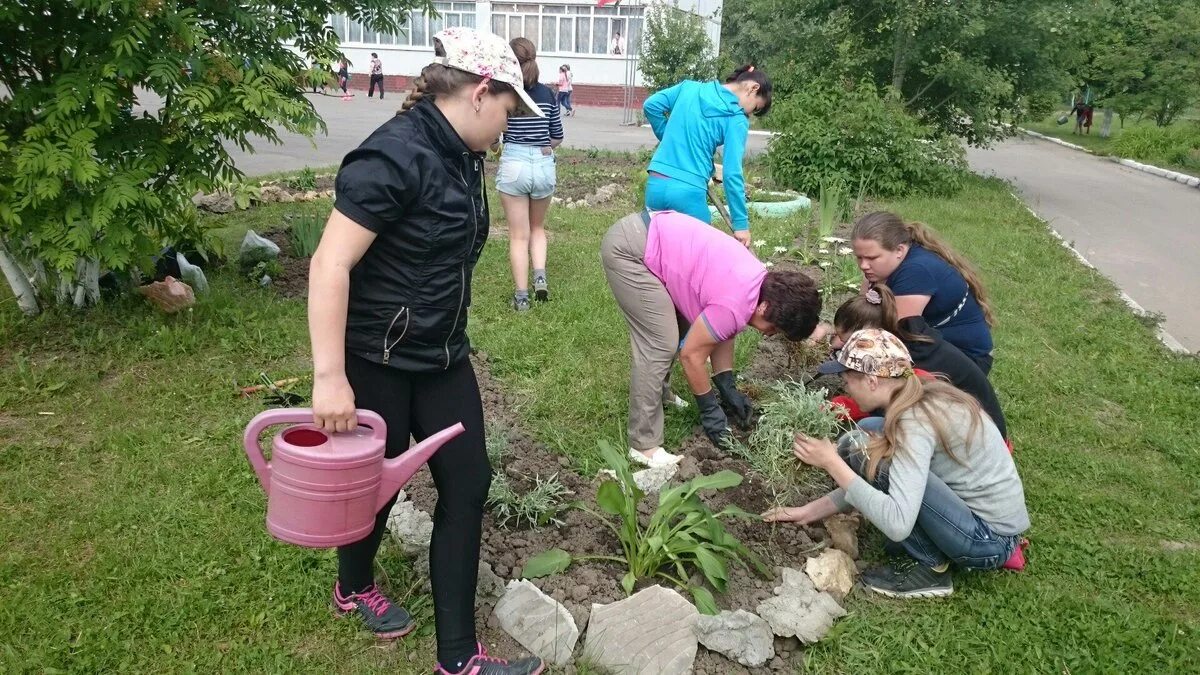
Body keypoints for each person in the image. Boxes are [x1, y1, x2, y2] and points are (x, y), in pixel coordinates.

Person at [306, 27, 544, 675]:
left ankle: (458, 659)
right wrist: (330, 377)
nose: (505, 128)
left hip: (441, 356)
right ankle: (352, 586)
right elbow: (329, 263)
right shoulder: (396, 155)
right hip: (374, 360)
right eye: (505, 112)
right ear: (479, 93)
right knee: (373, 490)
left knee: (468, 484)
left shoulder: (461, 154)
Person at [765, 329, 1030, 598]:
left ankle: (930, 568)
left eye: (847, 380)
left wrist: (832, 463)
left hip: (988, 542)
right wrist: (809, 512)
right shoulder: (919, 392)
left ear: (870, 380)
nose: (845, 388)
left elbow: (897, 523)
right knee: (869, 433)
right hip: (985, 527)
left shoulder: (913, 422)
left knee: (870, 454)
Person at [601, 209, 821, 465]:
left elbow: (720, 332)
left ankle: (658, 393)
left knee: (681, 329)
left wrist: (727, 386)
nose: (769, 334)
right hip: (631, 250)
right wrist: (709, 409)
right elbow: (692, 355)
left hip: (653, 236)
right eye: (775, 329)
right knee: (660, 342)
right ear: (765, 308)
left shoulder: (757, 282)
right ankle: (643, 444)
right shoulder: (735, 304)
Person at [818, 285, 1008, 441]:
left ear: (873, 335)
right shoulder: (901, 341)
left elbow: (881, 397)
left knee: (870, 434)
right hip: (965, 425)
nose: (845, 349)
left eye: (850, 342)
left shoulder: (913, 365)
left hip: (978, 441)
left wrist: (830, 408)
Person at [642, 66, 772, 247]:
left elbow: (651, 105)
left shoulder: (689, 88)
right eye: (755, 107)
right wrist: (740, 225)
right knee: (699, 262)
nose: (749, 114)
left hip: (655, 184)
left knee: (659, 257)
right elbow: (732, 173)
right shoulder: (736, 118)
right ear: (753, 88)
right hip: (688, 194)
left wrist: (670, 139)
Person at [851, 211, 995, 373]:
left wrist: (849, 343)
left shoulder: (916, 272)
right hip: (933, 348)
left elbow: (894, 339)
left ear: (899, 250)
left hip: (968, 360)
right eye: (859, 258)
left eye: (871, 258)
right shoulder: (879, 269)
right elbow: (862, 315)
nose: (863, 265)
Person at [496, 38, 564, 311]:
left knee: (518, 235)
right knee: (537, 228)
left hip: (514, 163)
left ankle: (522, 297)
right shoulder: (548, 94)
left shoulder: (506, 93)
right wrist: (543, 146)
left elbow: (494, 134)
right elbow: (557, 136)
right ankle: (540, 276)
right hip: (543, 163)